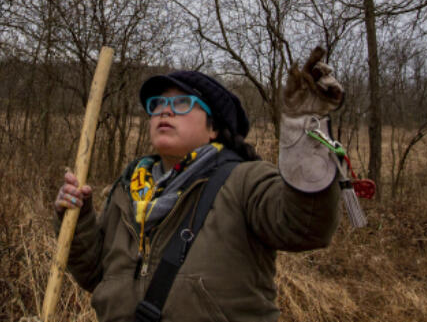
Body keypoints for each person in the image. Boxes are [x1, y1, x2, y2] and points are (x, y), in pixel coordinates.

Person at [53, 48, 347, 321]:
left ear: (214, 127)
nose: (164, 111)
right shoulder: (128, 189)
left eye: (182, 103)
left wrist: (306, 141)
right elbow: (96, 275)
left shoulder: (245, 180)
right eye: (158, 105)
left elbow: (305, 227)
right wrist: (77, 221)